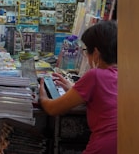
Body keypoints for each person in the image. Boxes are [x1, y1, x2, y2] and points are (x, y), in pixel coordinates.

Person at [38, 20, 117, 154]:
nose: (86, 56)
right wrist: (74, 89)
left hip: (104, 145)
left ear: (96, 53)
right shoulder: (126, 76)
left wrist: (42, 94)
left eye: (86, 51)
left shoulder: (95, 75)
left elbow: (52, 108)